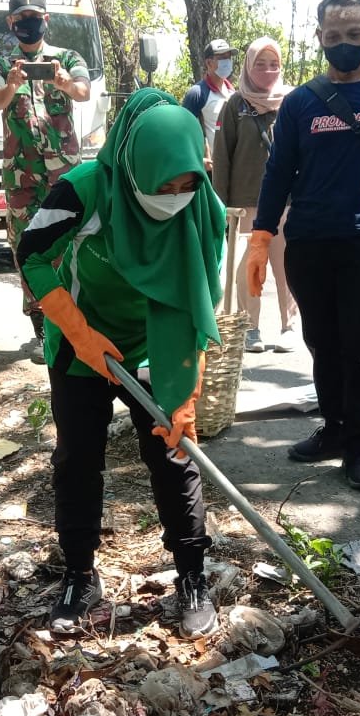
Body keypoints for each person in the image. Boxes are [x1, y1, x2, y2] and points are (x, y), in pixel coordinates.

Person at [17, 89, 225, 639]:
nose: (175, 198)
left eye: (186, 185)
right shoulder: (83, 190)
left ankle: (191, 574)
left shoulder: (203, 206)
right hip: (83, 342)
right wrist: (81, 334)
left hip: (156, 343)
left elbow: (200, 299)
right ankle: (80, 575)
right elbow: (30, 253)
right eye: (163, 187)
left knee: (173, 452)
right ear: (135, 168)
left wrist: (188, 392)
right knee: (78, 459)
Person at [247, 0, 360, 491]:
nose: (344, 42)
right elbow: (278, 173)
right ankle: (335, 430)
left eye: (355, 34)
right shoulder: (299, 102)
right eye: (335, 34)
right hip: (309, 243)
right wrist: (260, 238)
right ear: (319, 36)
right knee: (321, 342)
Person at [0, 0, 91, 362]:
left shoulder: (67, 57)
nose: (28, 23)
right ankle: (42, 325)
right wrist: (11, 86)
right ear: (11, 22)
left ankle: (73, 319)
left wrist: (63, 83)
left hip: (63, 174)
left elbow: (83, 90)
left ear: (46, 20)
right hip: (22, 178)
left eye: (35, 17)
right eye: (20, 18)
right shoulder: (0, 63)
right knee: (26, 247)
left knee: (67, 242)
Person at [212, 37, 298, 353]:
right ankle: (251, 327)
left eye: (273, 64)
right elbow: (222, 156)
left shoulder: (292, 102)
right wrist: (220, 204)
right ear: (249, 66)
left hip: (286, 201)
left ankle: (288, 325)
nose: (267, 70)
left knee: (285, 263)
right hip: (246, 201)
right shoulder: (236, 104)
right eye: (260, 64)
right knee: (250, 265)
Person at [182, 39, 237, 172]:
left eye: (228, 58)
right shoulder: (197, 93)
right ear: (209, 62)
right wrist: (198, 160)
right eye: (222, 58)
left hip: (233, 168)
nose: (227, 62)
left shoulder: (233, 92)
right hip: (210, 170)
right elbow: (183, 130)